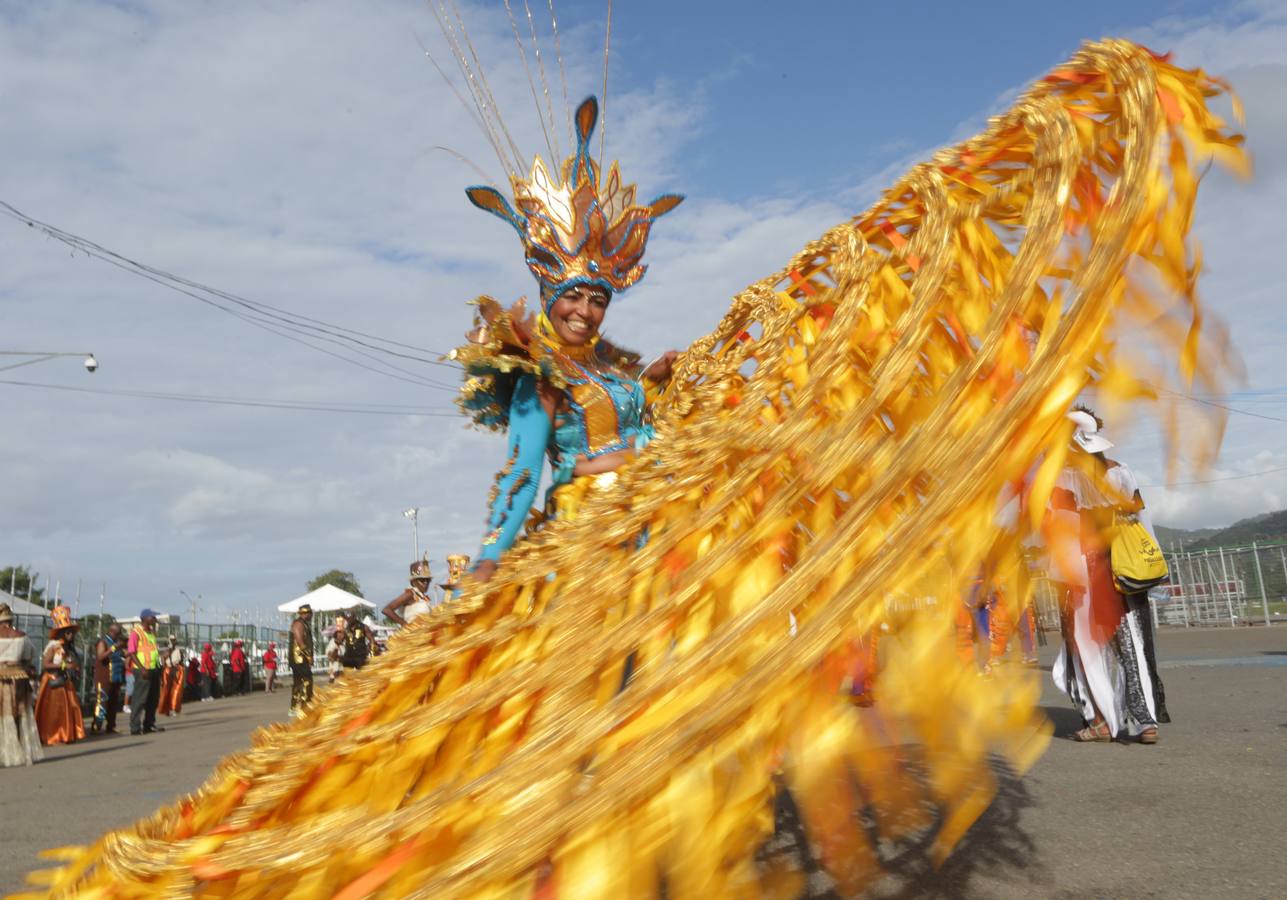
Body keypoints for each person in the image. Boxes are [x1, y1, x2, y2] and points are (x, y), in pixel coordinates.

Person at [26, 43, 1241, 894]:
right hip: (571, 550)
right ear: (544, 298)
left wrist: (691, 439)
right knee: (564, 703)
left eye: (593, 296)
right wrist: (500, 566)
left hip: (650, 539)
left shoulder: (634, 377)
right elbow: (518, 479)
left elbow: (668, 446)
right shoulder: (544, 385)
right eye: (565, 296)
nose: (577, 311)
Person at [1049, 408, 1161, 744]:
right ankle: (1145, 722)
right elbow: (1141, 516)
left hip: (1087, 569)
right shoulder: (1121, 472)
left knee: (1084, 648)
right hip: (1125, 569)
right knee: (1132, 645)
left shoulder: (1066, 480)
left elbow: (1063, 531)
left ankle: (1099, 721)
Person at [34, 605, 85, 746]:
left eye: (72, 633)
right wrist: (64, 666)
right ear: (62, 633)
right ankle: (52, 735)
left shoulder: (68, 647)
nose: (71, 635)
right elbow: (46, 664)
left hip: (65, 680)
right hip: (53, 680)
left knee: (69, 707)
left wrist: (74, 667)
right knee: (54, 710)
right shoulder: (54, 646)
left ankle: (66, 733)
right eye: (68, 632)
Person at [0, 603, 42, 766]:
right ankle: (22, 753)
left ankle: (5, 754)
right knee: (19, 715)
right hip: (18, 678)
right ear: (10, 621)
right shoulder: (21, 636)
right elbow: (30, 655)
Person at [127, 609, 164, 735]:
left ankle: (149, 724)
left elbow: (153, 651)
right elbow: (131, 652)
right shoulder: (136, 633)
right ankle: (135, 727)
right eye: (152, 617)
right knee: (140, 699)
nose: (155, 619)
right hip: (142, 670)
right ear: (145, 618)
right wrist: (142, 668)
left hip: (154, 669)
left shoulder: (152, 633)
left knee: (153, 699)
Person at [90, 623, 126, 734]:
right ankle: (96, 726)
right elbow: (101, 656)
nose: (119, 635)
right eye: (118, 633)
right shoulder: (103, 642)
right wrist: (114, 648)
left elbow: (123, 655)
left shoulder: (116, 643)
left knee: (113, 703)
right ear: (111, 632)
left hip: (116, 678)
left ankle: (111, 726)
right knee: (102, 702)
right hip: (104, 677)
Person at [382, 558, 436, 627]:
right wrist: (405, 625)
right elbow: (387, 609)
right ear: (413, 581)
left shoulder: (423, 597)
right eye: (422, 579)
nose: (426, 582)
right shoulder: (410, 594)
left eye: (428, 580)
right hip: (414, 636)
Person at [288, 604, 314, 716]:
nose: (311, 615)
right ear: (306, 613)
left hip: (299, 658)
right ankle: (304, 706)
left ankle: (295, 707)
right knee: (307, 680)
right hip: (299, 658)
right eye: (310, 613)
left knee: (298, 682)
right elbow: (299, 640)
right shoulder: (298, 623)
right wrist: (308, 655)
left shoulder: (303, 624)